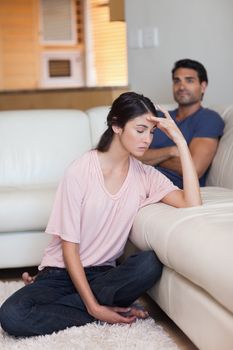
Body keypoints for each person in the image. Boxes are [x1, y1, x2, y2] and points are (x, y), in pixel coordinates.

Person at [0, 92, 201, 337]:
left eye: (151, 132)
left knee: (149, 264)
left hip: (103, 275)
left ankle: (74, 305)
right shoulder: (80, 171)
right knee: (12, 315)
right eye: (140, 130)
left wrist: (180, 141)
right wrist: (94, 308)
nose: (147, 139)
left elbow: (191, 202)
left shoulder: (145, 175)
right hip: (61, 273)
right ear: (116, 125)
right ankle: (101, 309)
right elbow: (69, 249)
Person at [140, 59, 225, 188]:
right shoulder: (157, 115)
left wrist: (149, 158)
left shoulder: (209, 118)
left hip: (167, 186)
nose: (181, 87)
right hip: (133, 174)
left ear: (203, 86)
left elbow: (194, 169)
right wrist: (171, 151)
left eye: (189, 80)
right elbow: (130, 152)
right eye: (177, 81)